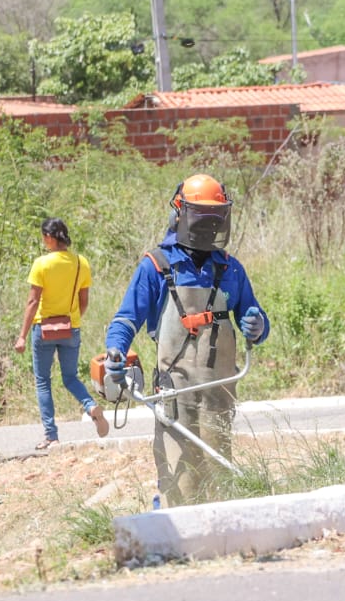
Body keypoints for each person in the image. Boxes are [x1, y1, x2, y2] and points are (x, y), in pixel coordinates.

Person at [102, 173, 269, 506]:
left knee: (220, 473)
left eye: (214, 219)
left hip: (219, 391)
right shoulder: (157, 267)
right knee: (182, 479)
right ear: (178, 215)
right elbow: (126, 319)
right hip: (174, 393)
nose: (207, 227)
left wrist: (257, 325)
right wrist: (115, 351)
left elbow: (255, 317)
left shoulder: (230, 269)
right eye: (200, 218)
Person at [15, 218, 109, 450]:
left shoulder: (42, 264)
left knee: (43, 382)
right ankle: (89, 405)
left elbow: (32, 301)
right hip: (71, 328)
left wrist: (22, 336)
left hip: (43, 330)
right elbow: (84, 301)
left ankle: (51, 436)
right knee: (70, 377)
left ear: (49, 237)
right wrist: (73, 320)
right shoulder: (80, 263)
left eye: (43, 237)